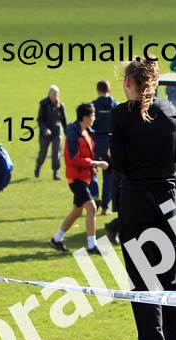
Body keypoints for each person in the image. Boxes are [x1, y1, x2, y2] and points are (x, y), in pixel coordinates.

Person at [110, 57, 176, 340]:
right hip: (167, 201)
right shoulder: (172, 111)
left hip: (135, 201)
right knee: (169, 279)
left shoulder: (119, 115)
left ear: (130, 83)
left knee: (142, 280)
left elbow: (117, 162)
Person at [48, 103, 107, 255]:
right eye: (93, 115)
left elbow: (88, 153)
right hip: (75, 178)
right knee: (92, 208)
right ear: (86, 117)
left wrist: (91, 167)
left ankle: (56, 239)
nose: (94, 118)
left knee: (77, 211)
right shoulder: (73, 134)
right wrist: (96, 163)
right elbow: (74, 159)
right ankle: (92, 246)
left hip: (84, 176)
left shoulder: (86, 131)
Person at [91, 80, 118, 215]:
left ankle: (95, 200)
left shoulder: (93, 106)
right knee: (109, 175)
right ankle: (106, 207)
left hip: (96, 143)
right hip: (111, 144)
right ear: (109, 90)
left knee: (93, 171)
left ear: (98, 90)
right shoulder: (116, 106)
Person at [35, 85, 67, 181]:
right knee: (43, 153)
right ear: (49, 94)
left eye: (56, 94)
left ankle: (55, 172)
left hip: (57, 132)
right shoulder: (44, 104)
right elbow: (40, 120)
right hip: (45, 133)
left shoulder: (60, 106)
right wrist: (45, 129)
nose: (54, 96)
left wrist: (67, 133)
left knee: (56, 152)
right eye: (53, 94)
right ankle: (38, 166)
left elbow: (64, 121)